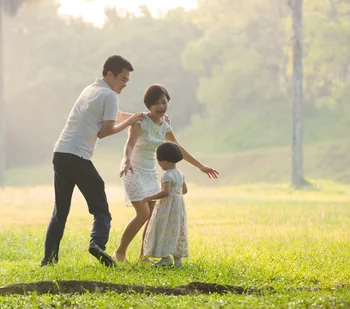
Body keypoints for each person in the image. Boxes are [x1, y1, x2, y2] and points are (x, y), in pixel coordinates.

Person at [41, 55, 145, 267]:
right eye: (123, 79)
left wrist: (138, 116)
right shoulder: (110, 95)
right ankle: (97, 243)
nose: (124, 84)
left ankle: (48, 260)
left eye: (127, 80)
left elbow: (114, 116)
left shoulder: (90, 90)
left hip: (60, 153)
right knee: (101, 209)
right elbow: (104, 132)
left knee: (60, 210)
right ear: (109, 74)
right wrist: (129, 123)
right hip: (78, 156)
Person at [113, 84, 218, 263]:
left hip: (151, 172)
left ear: (168, 101)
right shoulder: (140, 121)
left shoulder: (165, 124)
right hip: (132, 169)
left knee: (153, 216)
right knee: (143, 214)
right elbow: (129, 144)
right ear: (148, 106)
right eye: (156, 104)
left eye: (163, 102)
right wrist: (127, 160)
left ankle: (143, 256)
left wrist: (200, 166)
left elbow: (177, 147)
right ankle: (120, 252)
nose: (160, 107)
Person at [142, 142, 188, 267]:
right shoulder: (180, 174)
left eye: (160, 161)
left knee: (164, 229)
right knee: (176, 229)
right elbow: (185, 190)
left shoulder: (167, 175)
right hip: (178, 206)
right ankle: (178, 260)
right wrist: (176, 197)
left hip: (167, 207)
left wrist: (149, 198)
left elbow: (165, 192)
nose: (159, 164)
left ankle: (165, 258)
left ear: (166, 160)